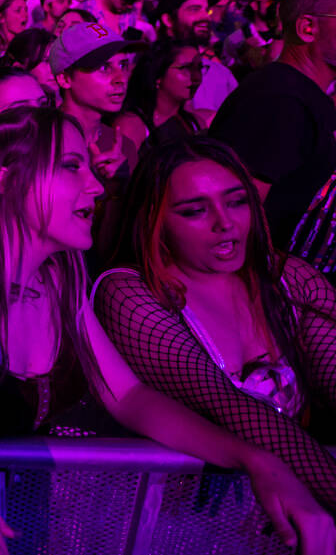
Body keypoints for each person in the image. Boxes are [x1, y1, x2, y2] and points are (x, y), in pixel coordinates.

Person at [0, 109, 334, 555]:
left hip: (17, 528)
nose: (96, 185)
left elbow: (129, 397)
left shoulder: (62, 278)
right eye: (71, 166)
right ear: (8, 178)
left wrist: (255, 459)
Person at [94, 137, 336, 525]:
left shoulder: (290, 279)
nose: (225, 223)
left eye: (237, 202)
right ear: (154, 220)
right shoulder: (130, 292)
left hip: (268, 526)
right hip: (158, 523)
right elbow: (233, 411)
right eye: (194, 211)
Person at [209, 0, 336, 256]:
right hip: (273, 284)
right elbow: (236, 217)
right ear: (307, 28)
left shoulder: (304, 95)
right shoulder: (280, 102)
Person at [49, 22, 144, 178]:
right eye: (104, 67)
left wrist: (118, 186)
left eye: (123, 65)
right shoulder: (41, 143)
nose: (121, 79)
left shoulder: (123, 147)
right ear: (65, 79)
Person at [155, 0, 237, 117]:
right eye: (194, 10)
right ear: (168, 20)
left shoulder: (220, 73)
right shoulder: (149, 68)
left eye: (206, 11)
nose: (206, 17)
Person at [114, 40, 204, 156]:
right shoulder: (132, 125)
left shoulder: (196, 124)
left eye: (199, 68)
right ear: (158, 74)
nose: (196, 77)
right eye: (186, 68)